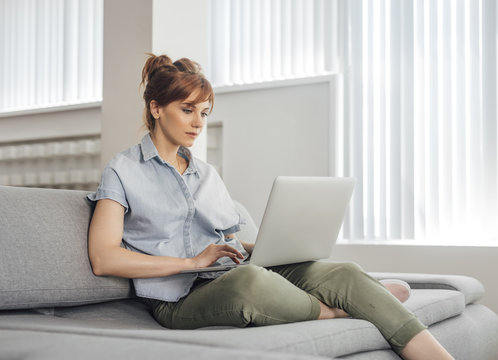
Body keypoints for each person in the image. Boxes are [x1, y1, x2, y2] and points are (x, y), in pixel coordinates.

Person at [87, 54, 454, 360]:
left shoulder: (206, 173)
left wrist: (265, 247)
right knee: (252, 280)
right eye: (187, 110)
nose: (199, 123)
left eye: (205, 112)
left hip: (226, 274)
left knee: (342, 271)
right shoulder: (124, 170)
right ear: (156, 108)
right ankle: (339, 308)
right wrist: (192, 262)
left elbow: (226, 240)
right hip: (177, 299)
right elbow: (104, 258)